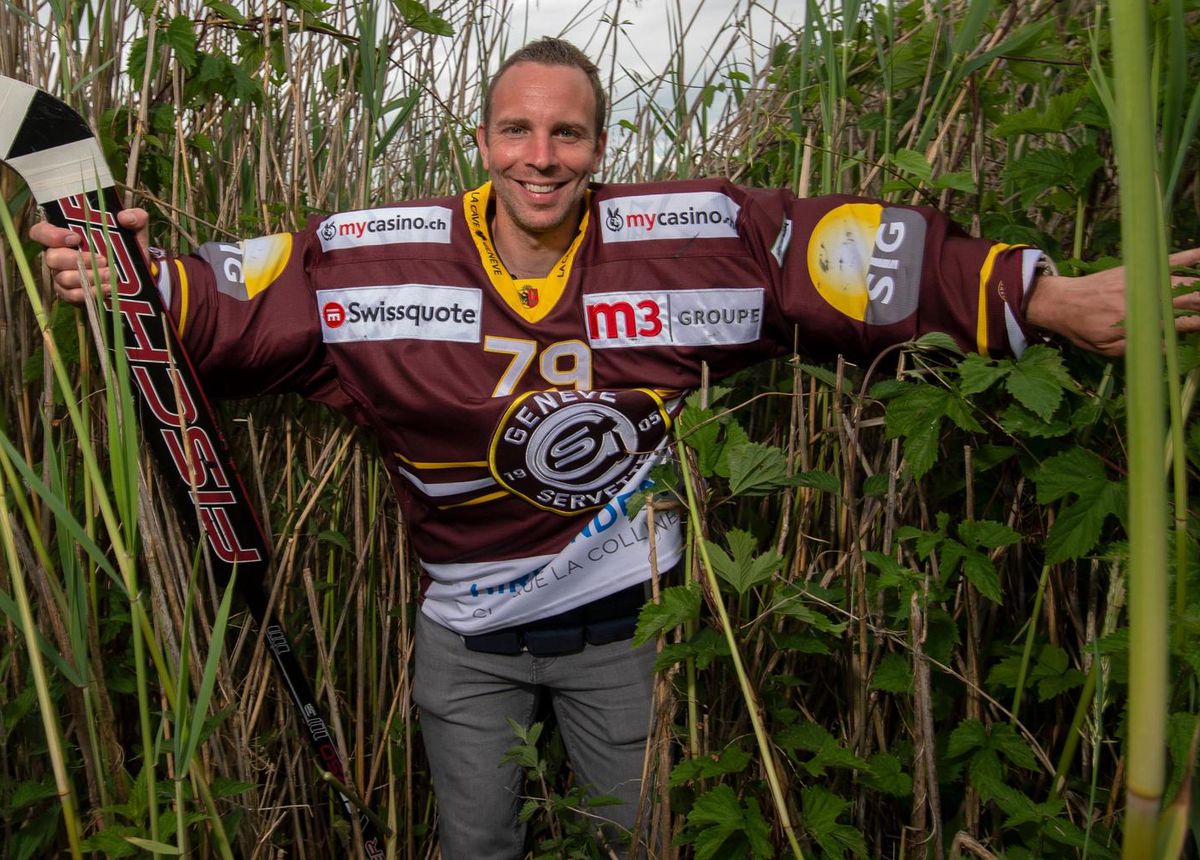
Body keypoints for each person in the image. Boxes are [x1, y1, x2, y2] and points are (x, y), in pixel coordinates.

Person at [32, 37, 1200, 859]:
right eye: (516, 129)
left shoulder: (685, 238)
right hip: (467, 638)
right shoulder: (374, 256)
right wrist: (124, 271)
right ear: (480, 138)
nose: (540, 155)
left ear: (600, 143)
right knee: (477, 843)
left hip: (626, 631)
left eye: (567, 132)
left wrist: (1039, 299)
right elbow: (223, 301)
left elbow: (847, 258)